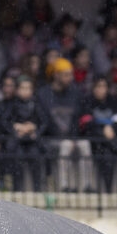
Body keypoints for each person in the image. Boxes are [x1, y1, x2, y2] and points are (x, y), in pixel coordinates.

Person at [38, 58, 89, 192]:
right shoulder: (44, 94)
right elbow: (45, 121)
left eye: (71, 74)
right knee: (65, 145)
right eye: (66, 75)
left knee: (85, 144)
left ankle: (86, 186)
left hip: (72, 137)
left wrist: (73, 138)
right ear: (56, 75)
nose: (70, 78)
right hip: (51, 139)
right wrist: (64, 138)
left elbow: (77, 119)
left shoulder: (75, 93)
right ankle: (64, 186)